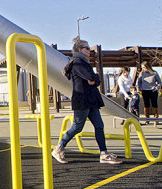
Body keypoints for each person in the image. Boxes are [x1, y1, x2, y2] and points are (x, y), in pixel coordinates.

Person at [51, 37, 122, 165]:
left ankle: (104, 153)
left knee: (99, 126)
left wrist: (94, 79)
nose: (90, 50)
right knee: (77, 126)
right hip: (82, 99)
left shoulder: (85, 63)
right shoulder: (77, 63)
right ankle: (58, 148)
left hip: (91, 99)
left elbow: (95, 80)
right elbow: (91, 78)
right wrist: (93, 79)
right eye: (87, 48)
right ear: (79, 49)